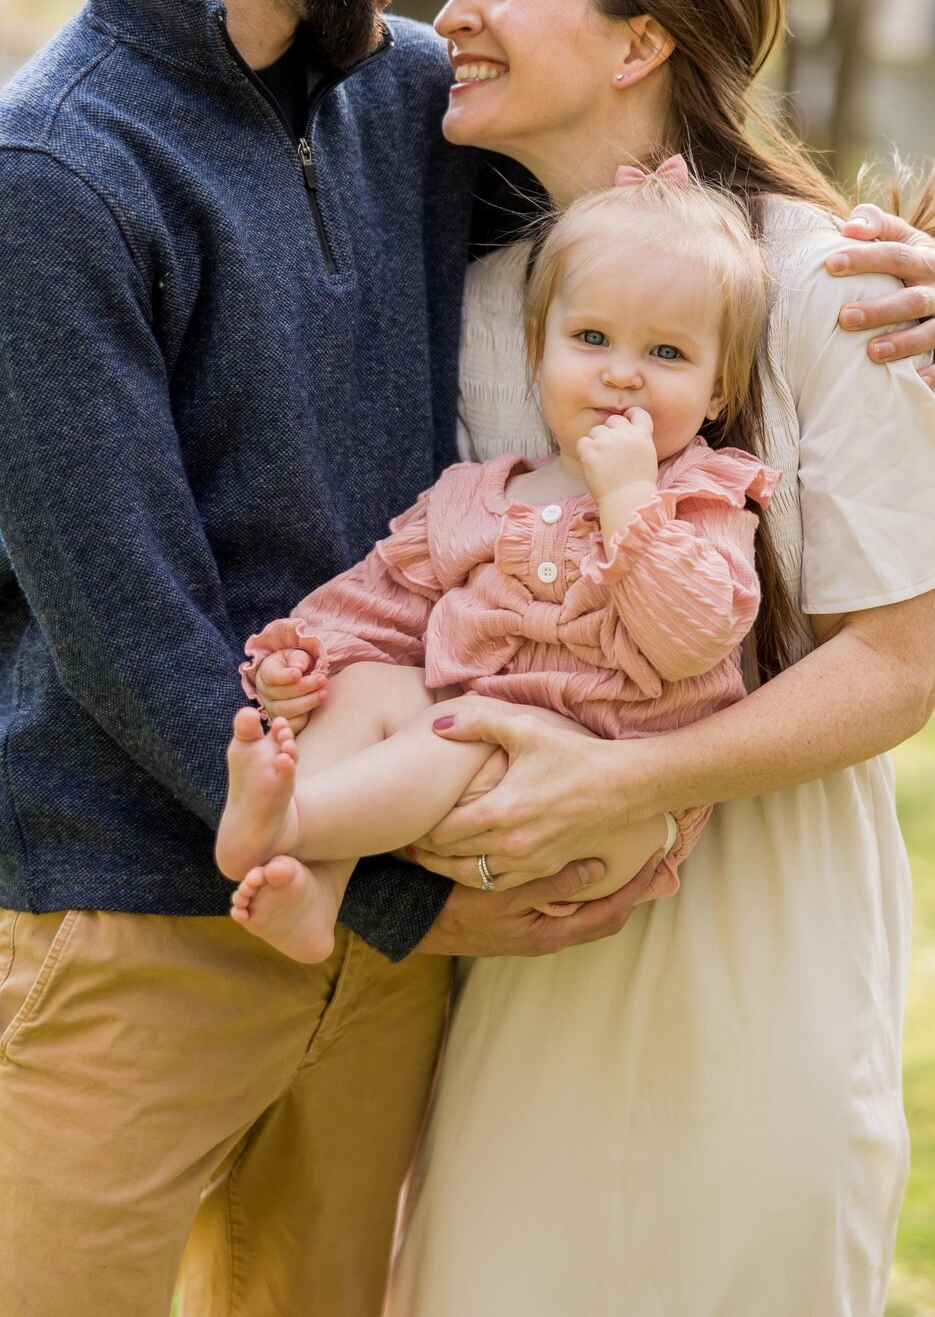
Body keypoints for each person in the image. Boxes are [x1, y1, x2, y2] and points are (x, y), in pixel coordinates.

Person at [0, 0, 935, 1316]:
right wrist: (384, 894)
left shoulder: (409, 110)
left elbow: (692, 244)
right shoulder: (56, 173)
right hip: (154, 925)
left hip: (405, 969)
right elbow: (130, 638)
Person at [376, 0, 935, 1316]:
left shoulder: (823, 283)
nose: (452, 12)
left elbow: (895, 670)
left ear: (640, 39)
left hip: (756, 927)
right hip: (528, 946)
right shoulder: (480, 292)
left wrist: (615, 787)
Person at [217, 165, 783, 962]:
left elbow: (691, 638)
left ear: (718, 389)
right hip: (463, 767)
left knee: (464, 731)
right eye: (592, 340)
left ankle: (294, 819)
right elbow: (378, 602)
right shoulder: (477, 497)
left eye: (665, 352)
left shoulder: (700, 497)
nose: (623, 373)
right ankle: (318, 886)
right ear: (536, 349)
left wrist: (629, 499)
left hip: (607, 801)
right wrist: (303, 659)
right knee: (373, 684)